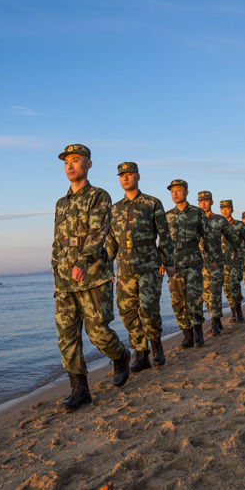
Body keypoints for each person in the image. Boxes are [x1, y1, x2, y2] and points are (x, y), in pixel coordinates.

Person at [52, 144, 131, 412]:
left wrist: (84, 261)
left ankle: (121, 356)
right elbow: (58, 242)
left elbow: (99, 233)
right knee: (67, 336)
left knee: (98, 333)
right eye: (67, 162)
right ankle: (80, 390)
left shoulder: (99, 196)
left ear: (88, 164)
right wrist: (55, 270)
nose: (70, 166)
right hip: (64, 281)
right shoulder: (61, 203)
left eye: (76, 161)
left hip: (93, 277)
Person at [106, 162, 175, 370]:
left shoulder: (152, 203)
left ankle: (157, 346)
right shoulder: (115, 209)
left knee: (148, 308)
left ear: (137, 176)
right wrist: (107, 267)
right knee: (126, 311)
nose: (125, 178)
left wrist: (169, 262)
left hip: (149, 265)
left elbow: (164, 234)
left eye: (129, 174)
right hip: (125, 269)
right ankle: (141, 353)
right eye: (122, 175)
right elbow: (110, 240)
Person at [164, 180, 219, 348]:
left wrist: (213, 258)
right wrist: (163, 262)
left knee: (194, 299)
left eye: (178, 190)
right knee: (177, 301)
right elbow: (164, 241)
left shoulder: (197, 213)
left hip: (193, 261)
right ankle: (186, 335)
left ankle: (198, 332)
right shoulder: (167, 216)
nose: (175, 193)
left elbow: (208, 236)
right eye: (172, 191)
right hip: (174, 263)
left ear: (186, 192)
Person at [219, 201, 245, 322]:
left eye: (227, 208)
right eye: (223, 209)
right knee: (226, 287)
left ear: (232, 210)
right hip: (222, 259)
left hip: (236, 258)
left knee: (234, 284)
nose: (225, 210)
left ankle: (238, 309)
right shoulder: (217, 224)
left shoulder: (239, 225)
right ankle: (233, 311)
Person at [197, 191, 227, 335]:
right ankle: (216, 318)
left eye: (206, 200)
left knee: (215, 292)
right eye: (201, 201)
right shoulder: (194, 220)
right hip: (201, 264)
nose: (203, 203)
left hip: (216, 261)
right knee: (206, 294)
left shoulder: (219, 220)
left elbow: (231, 237)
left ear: (212, 202)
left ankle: (214, 323)